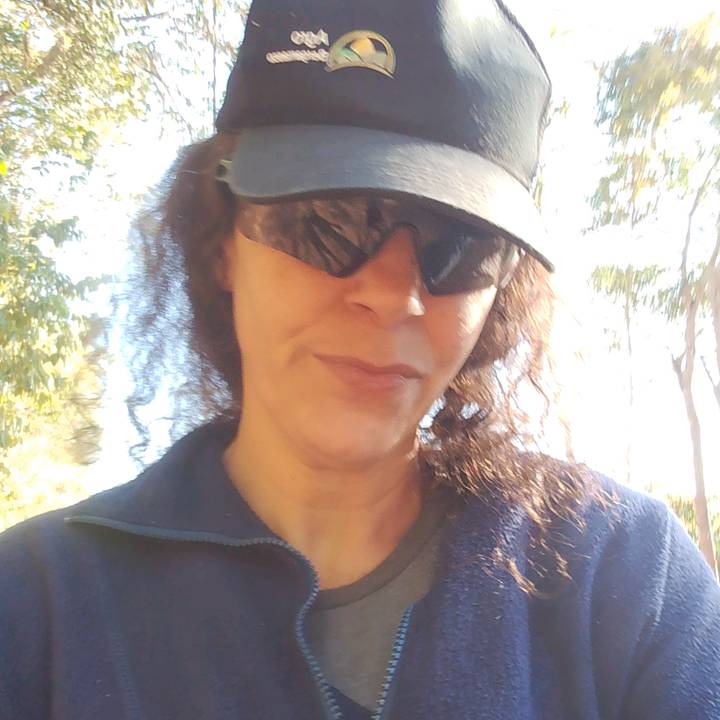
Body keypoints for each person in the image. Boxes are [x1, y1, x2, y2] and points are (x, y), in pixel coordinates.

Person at [2, 0, 719, 718]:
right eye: (330, 221)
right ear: (223, 244)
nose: (392, 296)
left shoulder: (624, 579)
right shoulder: (37, 609)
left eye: (460, 246)